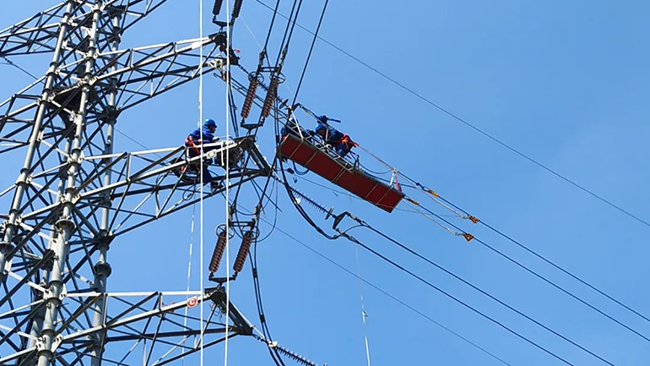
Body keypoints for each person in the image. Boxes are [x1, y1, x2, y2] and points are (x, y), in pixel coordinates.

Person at [183, 118, 220, 185]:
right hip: (193, 144)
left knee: (202, 167)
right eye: (214, 127)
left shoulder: (203, 131)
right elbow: (207, 135)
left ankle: (212, 182)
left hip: (193, 149)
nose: (214, 129)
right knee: (211, 144)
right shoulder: (204, 128)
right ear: (211, 126)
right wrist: (213, 140)